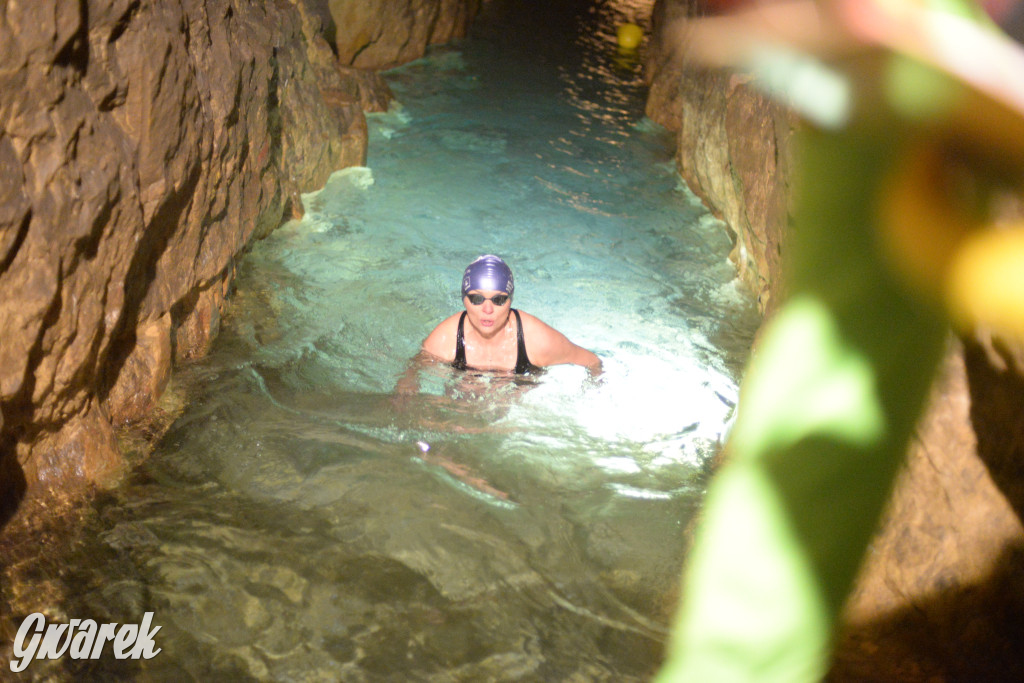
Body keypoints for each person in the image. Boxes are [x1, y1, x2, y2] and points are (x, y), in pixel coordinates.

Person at [421, 254, 601, 375]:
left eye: (498, 300)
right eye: (477, 299)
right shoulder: (444, 340)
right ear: (464, 299)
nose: (488, 309)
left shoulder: (537, 340)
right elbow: (411, 374)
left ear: (511, 301)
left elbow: (592, 362)